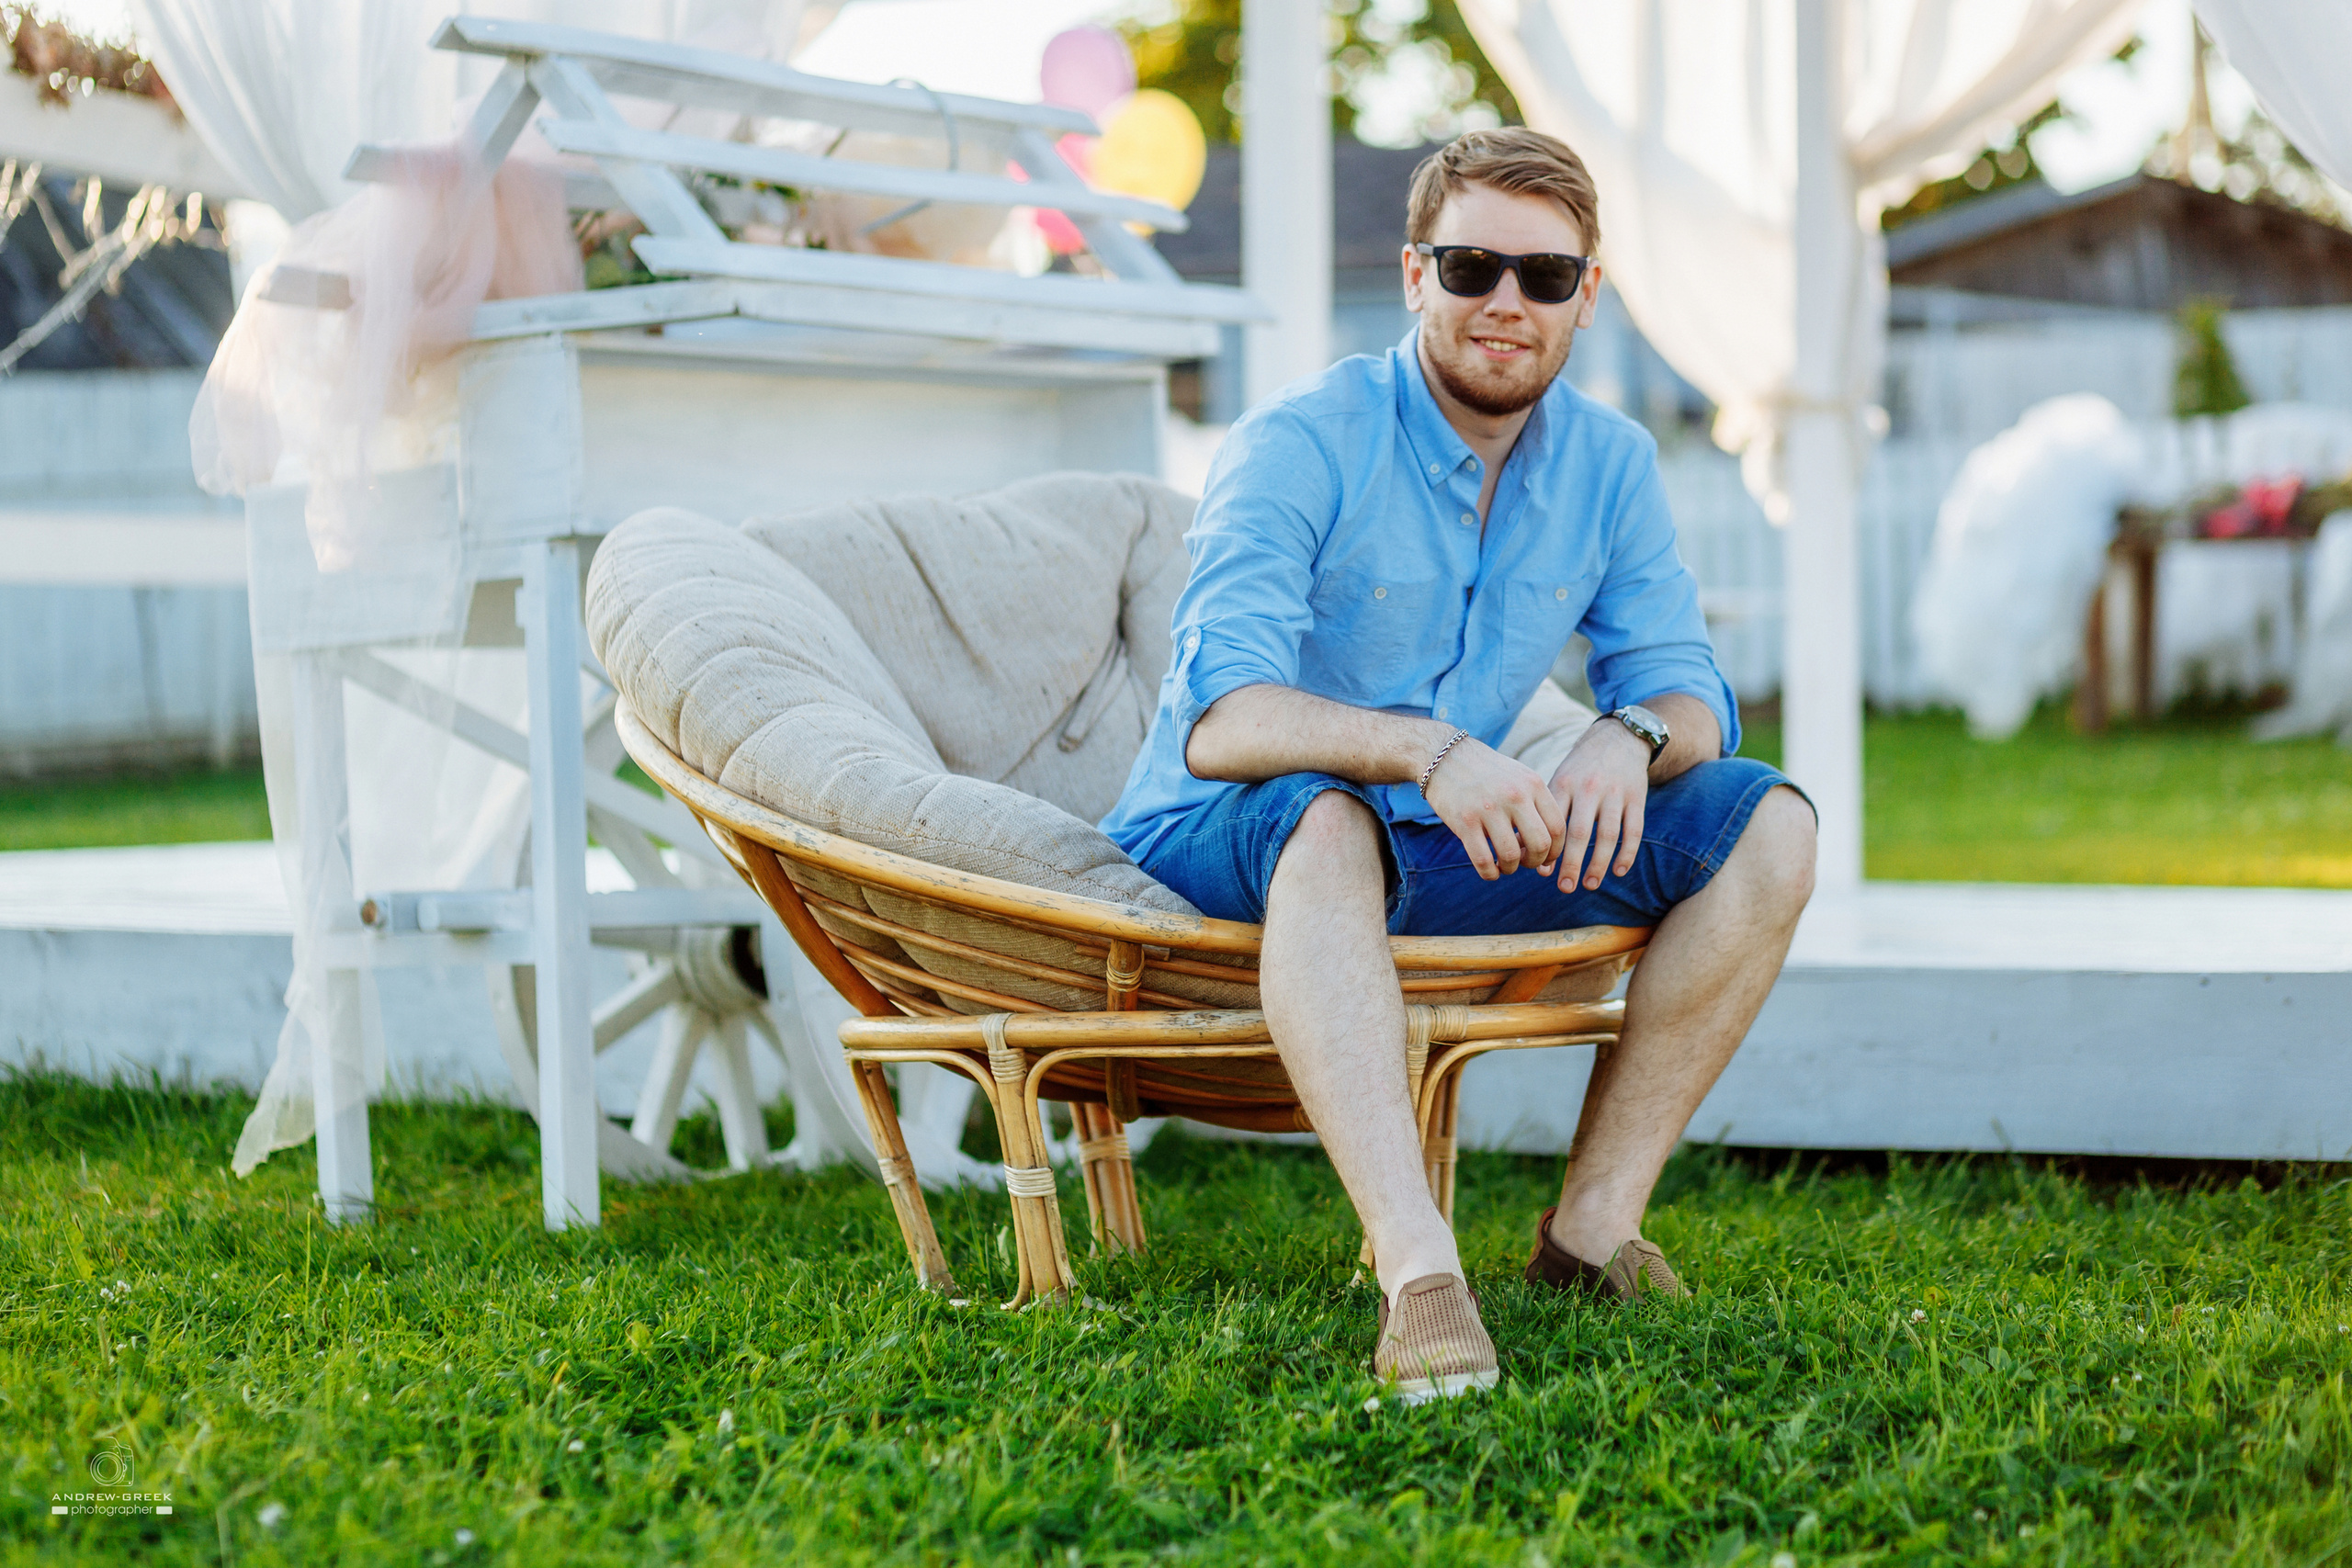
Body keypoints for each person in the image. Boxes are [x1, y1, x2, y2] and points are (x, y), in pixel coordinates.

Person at [1100, 128, 1817, 1403]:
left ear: (1587, 298)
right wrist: (1430, 753)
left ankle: (1591, 1232)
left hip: (1444, 850)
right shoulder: (1299, 442)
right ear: (1417, 272)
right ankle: (1419, 1270)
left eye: (1545, 278)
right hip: (1225, 838)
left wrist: (1625, 734)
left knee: (1768, 826)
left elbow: (1690, 692)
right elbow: (1223, 719)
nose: (1507, 303)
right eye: (1474, 266)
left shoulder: (1611, 463)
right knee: (1330, 823)